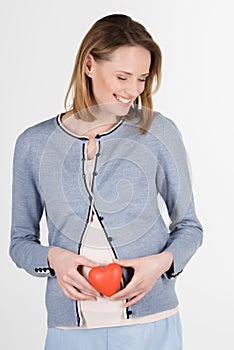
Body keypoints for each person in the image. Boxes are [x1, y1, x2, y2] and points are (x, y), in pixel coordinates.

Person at [9, 13, 203, 350]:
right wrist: (54, 257)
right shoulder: (34, 144)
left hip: (153, 325)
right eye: (122, 77)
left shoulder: (158, 132)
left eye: (142, 78)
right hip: (70, 332)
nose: (133, 91)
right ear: (89, 65)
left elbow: (189, 226)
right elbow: (20, 243)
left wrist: (160, 264)